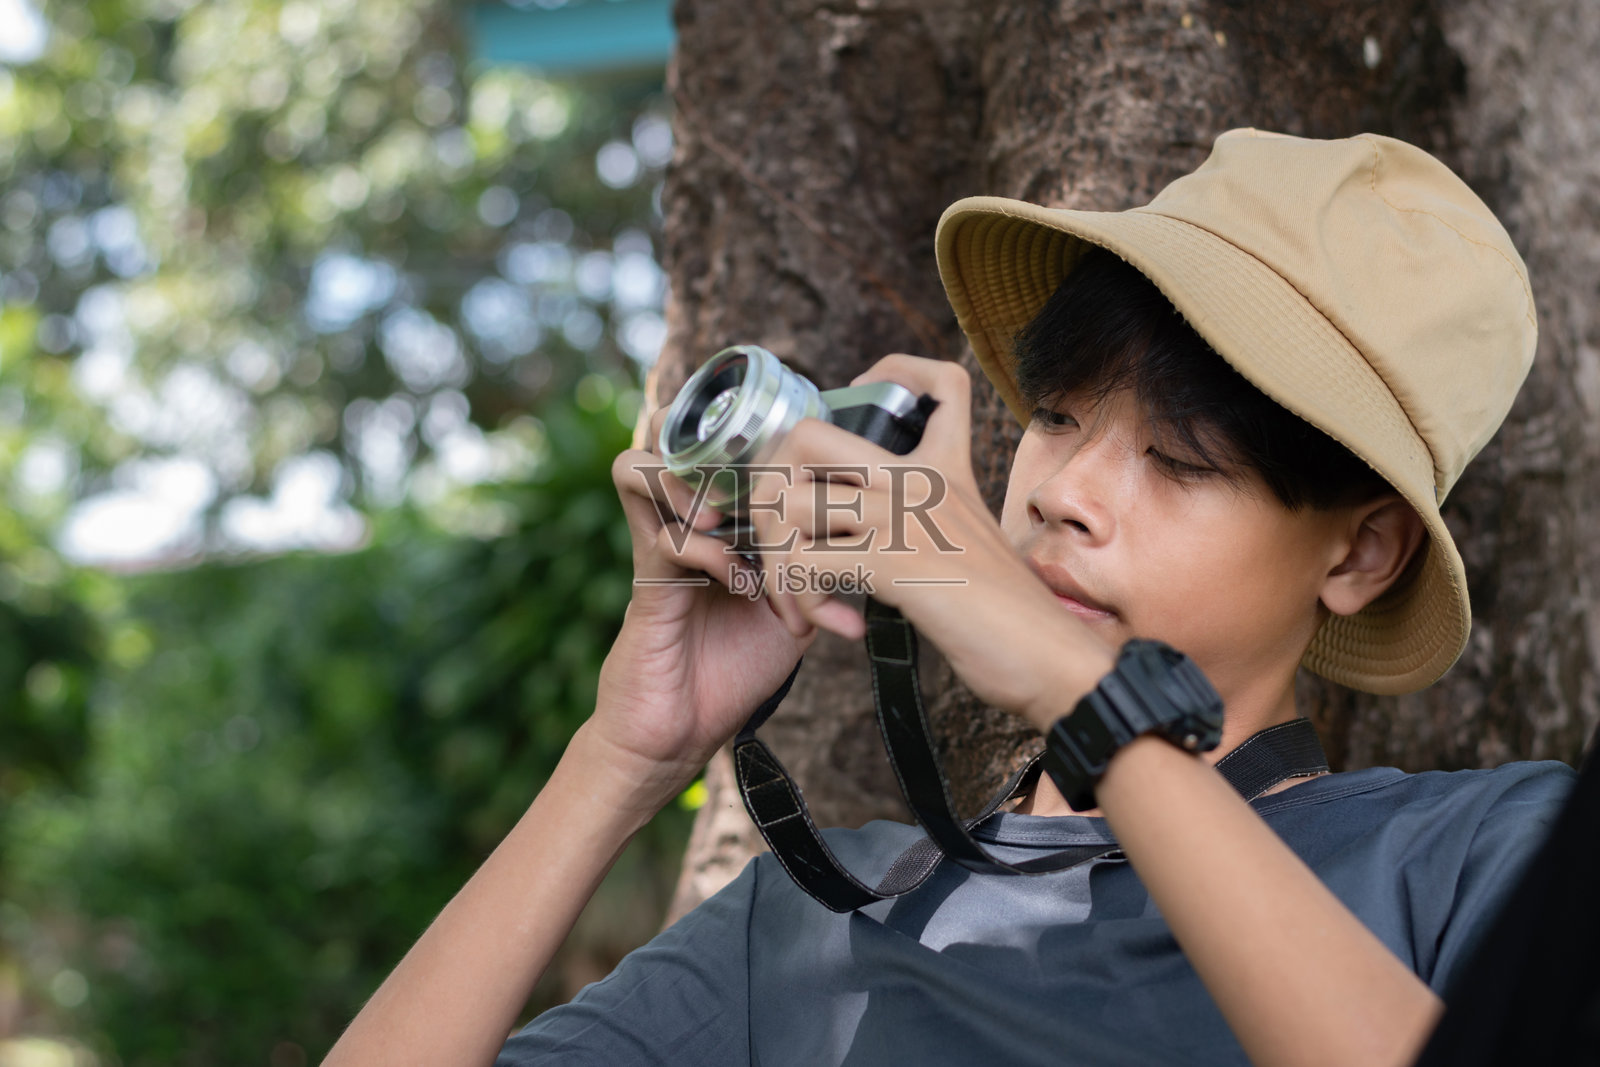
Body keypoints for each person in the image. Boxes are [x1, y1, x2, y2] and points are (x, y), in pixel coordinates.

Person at [322, 129, 1575, 1067]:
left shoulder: (1479, 859)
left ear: (1358, 556)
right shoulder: (811, 922)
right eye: (1060, 416)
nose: (1064, 491)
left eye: (1183, 461)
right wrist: (625, 756)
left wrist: (1083, 694)